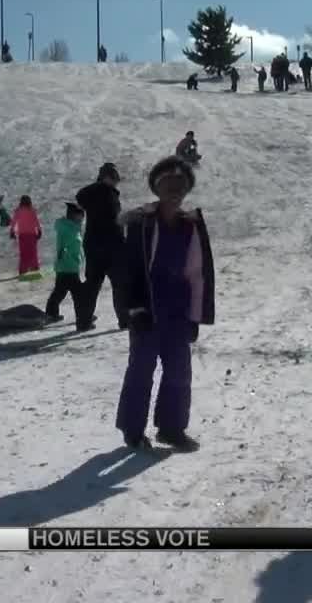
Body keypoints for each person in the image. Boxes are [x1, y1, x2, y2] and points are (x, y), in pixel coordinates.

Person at [116, 155, 216, 452]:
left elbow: (196, 273)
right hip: (147, 307)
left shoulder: (190, 226)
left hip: (178, 311)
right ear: (156, 188)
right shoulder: (141, 223)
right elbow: (126, 270)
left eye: (180, 184)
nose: (174, 190)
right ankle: (133, 430)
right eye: (168, 184)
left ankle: (171, 429)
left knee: (179, 371)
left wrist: (195, 315)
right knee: (141, 369)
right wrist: (133, 308)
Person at [76, 162, 129, 331]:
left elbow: (80, 197)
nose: (116, 181)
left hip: (94, 244)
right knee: (118, 284)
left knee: (93, 284)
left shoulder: (94, 192)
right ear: (107, 177)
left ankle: (84, 321)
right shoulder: (104, 192)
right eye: (114, 178)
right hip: (111, 245)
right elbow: (114, 221)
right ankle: (125, 320)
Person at [44, 202, 86, 323]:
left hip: (68, 266)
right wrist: (72, 258)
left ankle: (51, 314)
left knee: (60, 292)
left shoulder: (71, 228)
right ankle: (83, 316)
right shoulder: (69, 229)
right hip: (68, 266)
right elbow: (68, 247)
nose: (82, 219)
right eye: (81, 216)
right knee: (78, 294)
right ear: (74, 216)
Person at [9, 195, 43, 279]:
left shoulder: (18, 211)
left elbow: (13, 222)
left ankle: (23, 270)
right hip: (32, 235)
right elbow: (36, 221)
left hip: (22, 235)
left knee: (24, 253)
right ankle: (34, 269)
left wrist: (12, 231)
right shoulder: (32, 210)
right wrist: (39, 230)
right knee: (33, 253)